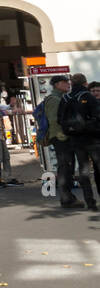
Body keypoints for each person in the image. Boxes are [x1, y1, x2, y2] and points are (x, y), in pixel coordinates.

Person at [44, 73, 91, 209]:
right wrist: (64, 134)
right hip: (61, 137)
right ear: (58, 85)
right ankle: (67, 198)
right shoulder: (54, 99)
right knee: (65, 167)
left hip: (64, 137)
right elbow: (54, 120)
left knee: (67, 167)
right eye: (65, 82)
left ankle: (68, 197)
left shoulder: (61, 97)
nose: (68, 84)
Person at [60, 73, 100, 209]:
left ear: (71, 83)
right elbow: (97, 116)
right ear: (85, 83)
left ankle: (90, 201)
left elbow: (60, 119)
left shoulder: (65, 98)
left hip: (75, 140)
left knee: (83, 171)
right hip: (93, 139)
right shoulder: (88, 96)